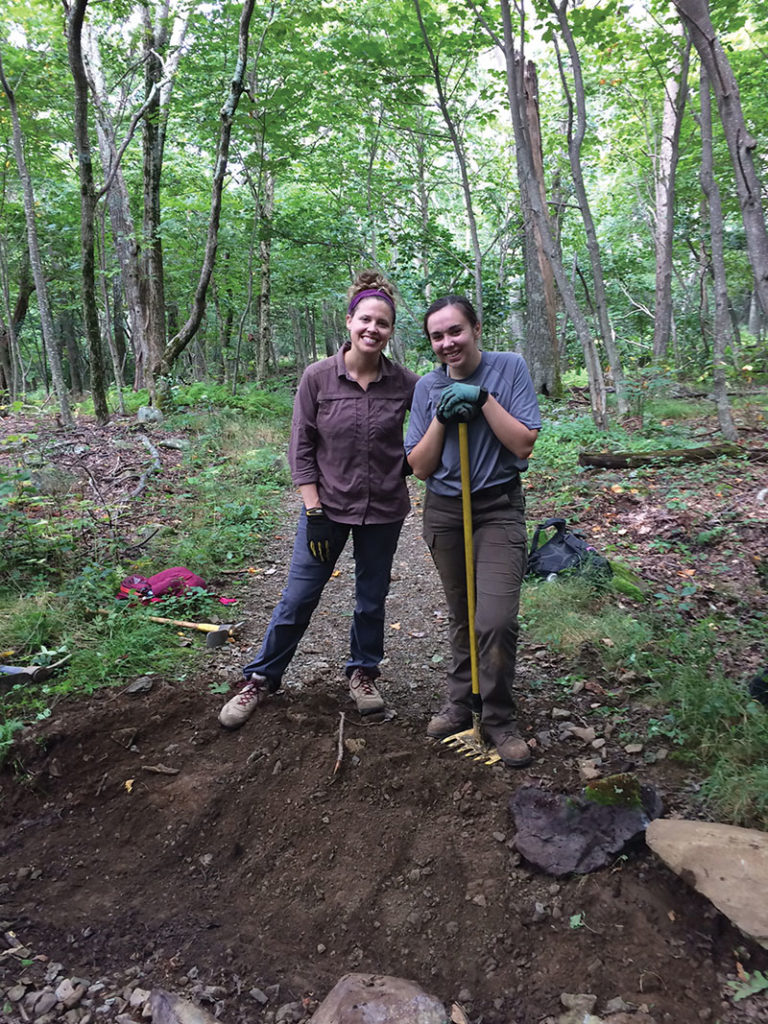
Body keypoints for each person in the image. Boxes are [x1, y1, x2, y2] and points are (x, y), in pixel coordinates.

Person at [219, 271, 419, 729]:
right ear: (349, 321)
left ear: (391, 331)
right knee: (299, 597)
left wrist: (408, 464)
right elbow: (301, 447)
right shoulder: (318, 377)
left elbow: (430, 432)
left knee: (371, 599)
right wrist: (313, 509)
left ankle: (363, 673)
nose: (372, 329)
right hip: (325, 510)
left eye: (382, 323)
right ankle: (260, 679)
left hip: (384, 511)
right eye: (365, 319)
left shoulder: (406, 383)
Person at [404, 295, 541, 767]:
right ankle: (461, 701)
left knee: (495, 619)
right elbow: (420, 467)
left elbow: (523, 443)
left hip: (498, 508)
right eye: (437, 336)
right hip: (445, 510)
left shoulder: (510, 368)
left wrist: (483, 400)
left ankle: (499, 718)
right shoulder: (427, 387)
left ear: (476, 329)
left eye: (455, 331)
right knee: (463, 613)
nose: (448, 342)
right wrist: (442, 418)